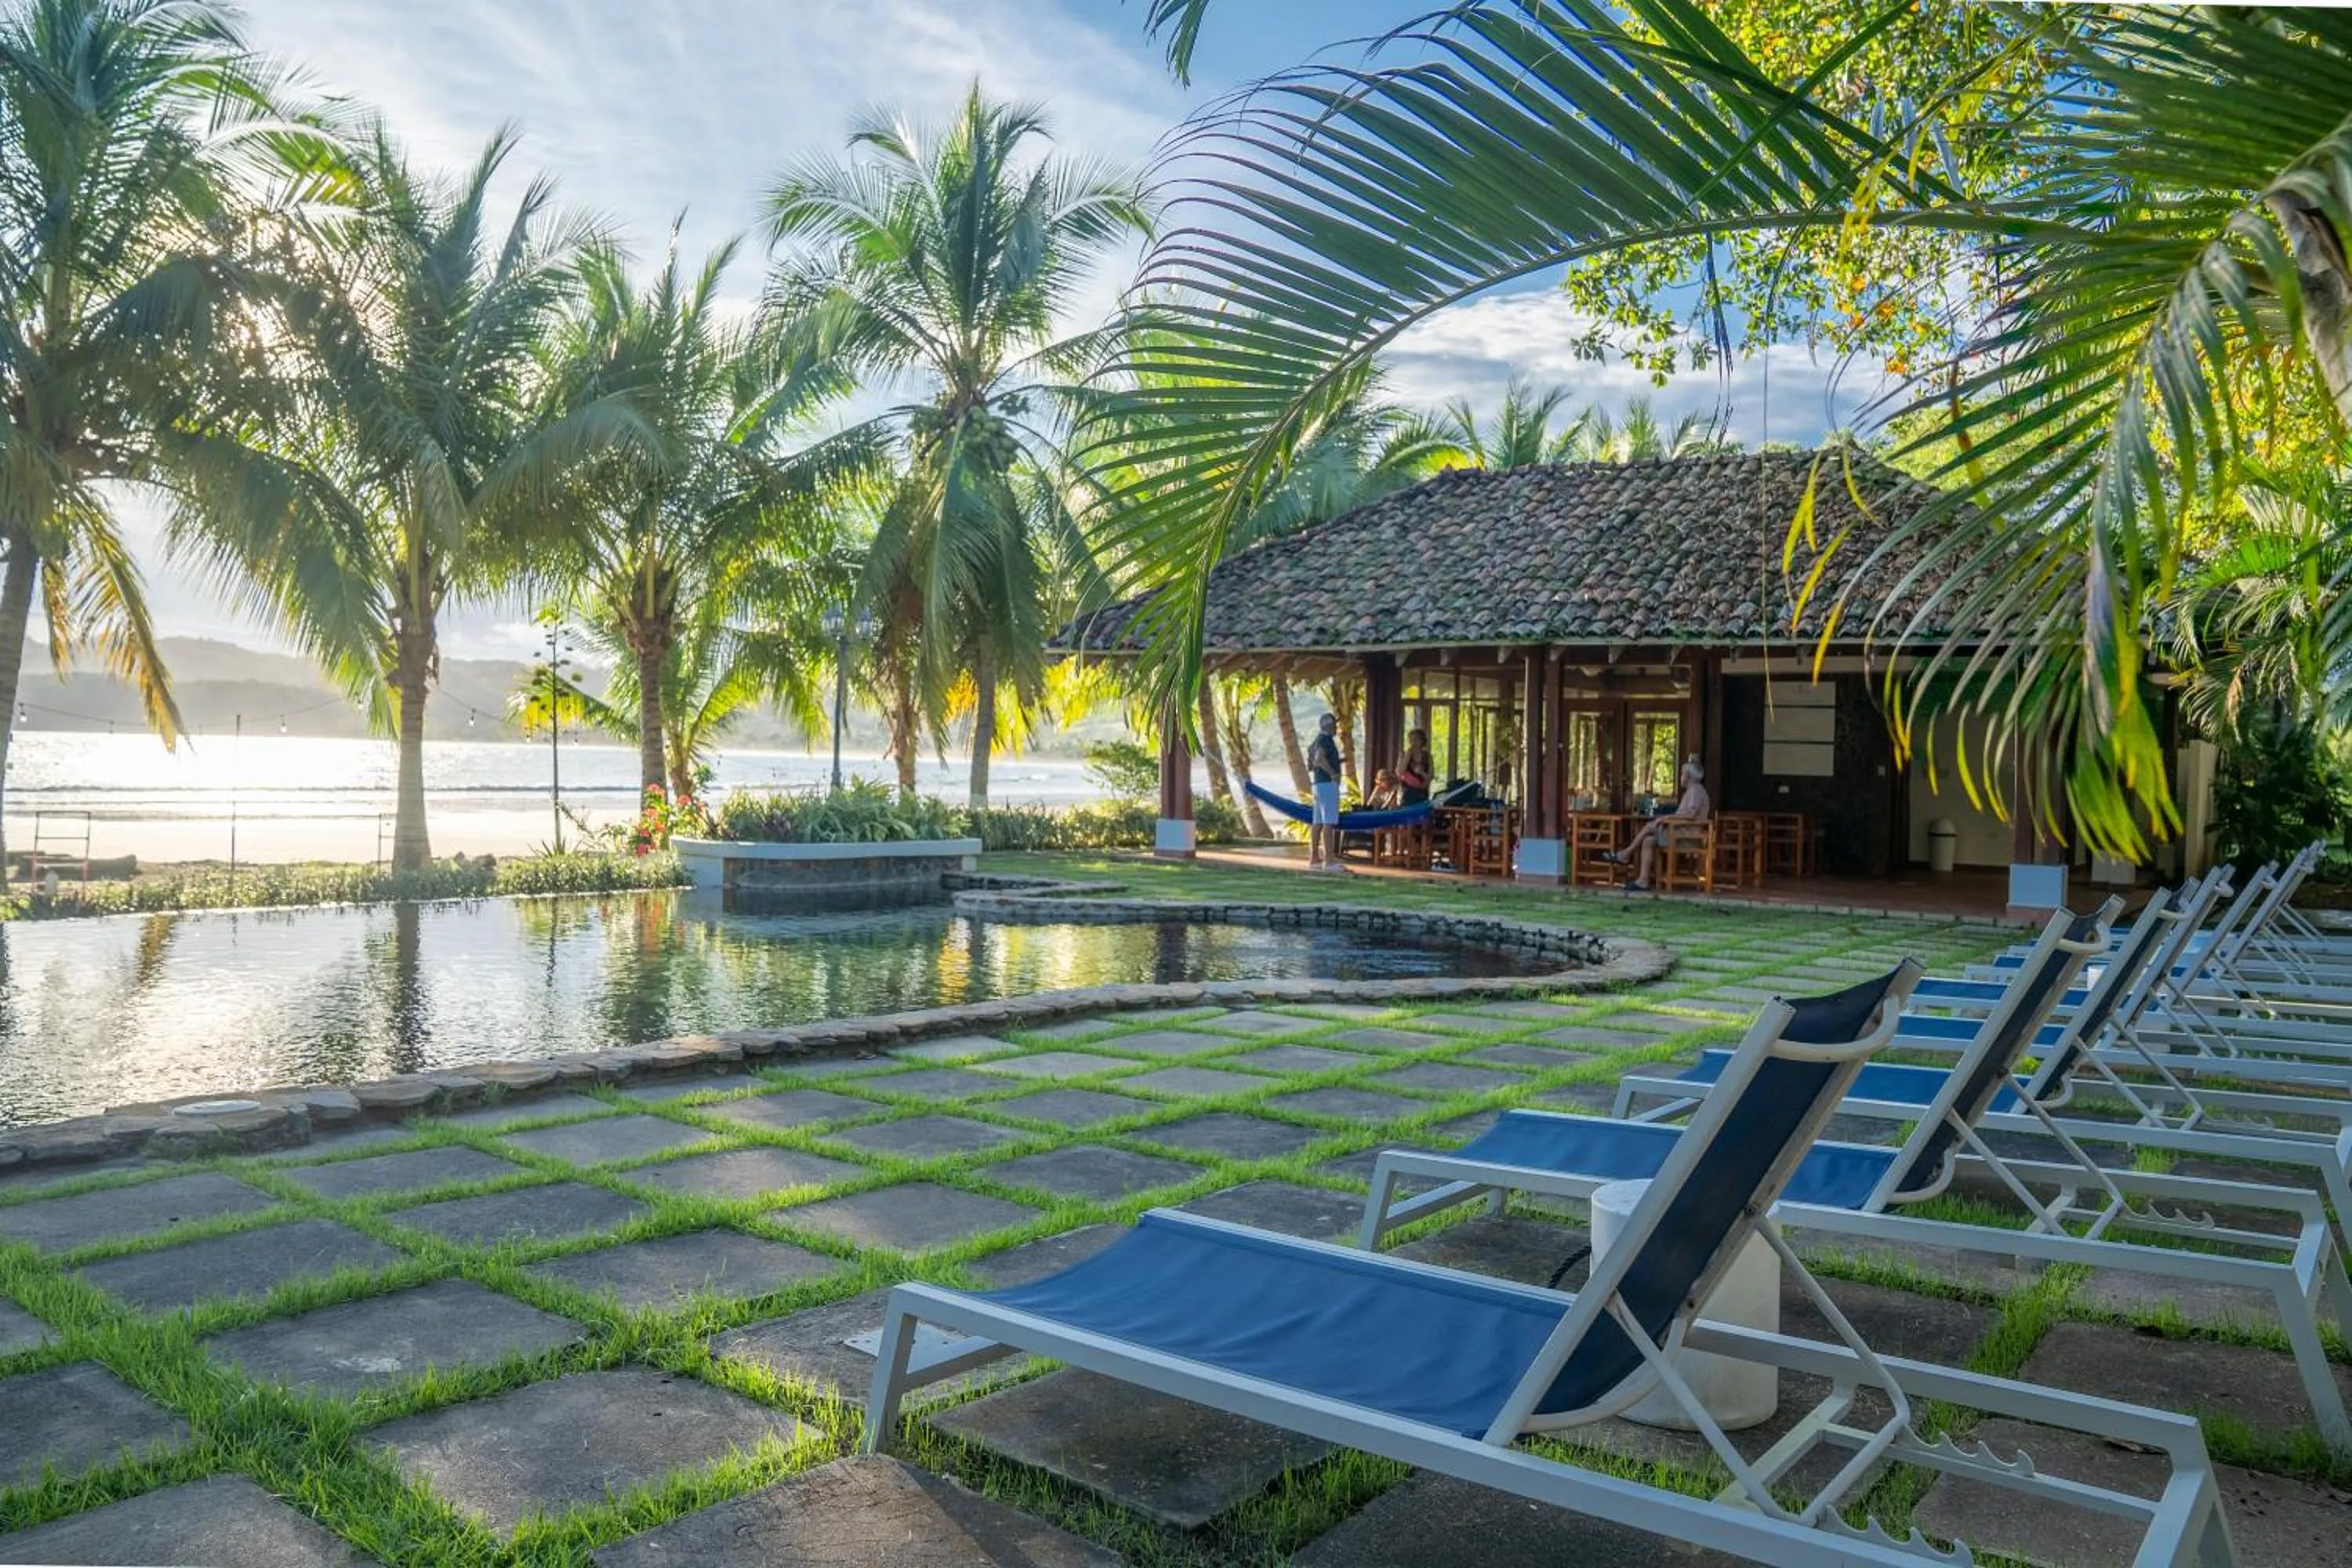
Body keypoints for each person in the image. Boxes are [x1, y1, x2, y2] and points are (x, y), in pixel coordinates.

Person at [1609, 756, 1711, 891]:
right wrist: (1667, 819)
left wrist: (1665, 818)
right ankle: (1643, 880)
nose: (1681, 777)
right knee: (1648, 841)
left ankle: (1625, 854)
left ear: (1688, 776)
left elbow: (1690, 815)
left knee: (1649, 827)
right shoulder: (1693, 791)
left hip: (1685, 836)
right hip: (1679, 834)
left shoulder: (1695, 791)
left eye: (1682, 774)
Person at [1305, 712, 1348, 871]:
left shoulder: (1316, 741)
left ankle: (1314, 858)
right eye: (1335, 725)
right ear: (1329, 726)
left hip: (1318, 784)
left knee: (1317, 823)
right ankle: (1329, 860)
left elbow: (1312, 764)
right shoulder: (1326, 740)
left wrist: (1337, 762)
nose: (1336, 728)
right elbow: (1319, 759)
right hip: (1327, 785)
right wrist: (1333, 773)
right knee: (1328, 823)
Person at [1396, 728, 1434, 805]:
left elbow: (1431, 776)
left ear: (1422, 741)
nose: (1413, 742)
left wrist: (1422, 773)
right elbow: (1399, 772)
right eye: (1411, 740)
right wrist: (1408, 755)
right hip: (1407, 792)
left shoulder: (1428, 756)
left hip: (1422, 792)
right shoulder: (1404, 754)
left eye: (1416, 739)